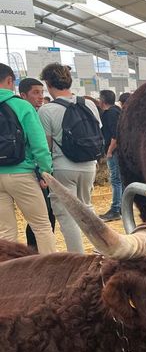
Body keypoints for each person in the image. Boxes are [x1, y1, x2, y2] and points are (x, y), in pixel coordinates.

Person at [38, 63, 102, 253]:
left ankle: (78, 258)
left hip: (63, 166)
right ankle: (101, 251)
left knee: (67, 215)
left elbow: (46, 145)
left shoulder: (47, 110)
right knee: (87, 208)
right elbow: (97, 131)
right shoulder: (88, 103)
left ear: (49, 83)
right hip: (89, 165)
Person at [0, 63, 56, 254]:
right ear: (9, 80)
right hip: (21, 173)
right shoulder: (21, 105)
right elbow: (39, 144)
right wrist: (45, 171)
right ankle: (50, 274)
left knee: (5, 232)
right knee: (41, 226)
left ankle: (6, 275)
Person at [18, 77, 56, 250]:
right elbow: (40, 147)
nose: (40, 97)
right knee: (43, 220)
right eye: (36, 92)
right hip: (28, 172)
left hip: (8, 172)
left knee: (7, 228)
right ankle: (39, 255)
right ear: (23, 94)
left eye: (42, 92)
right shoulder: (28, 112)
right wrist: (45, 172)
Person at [98, 90, 122, 221]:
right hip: (118, 151)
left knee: (116, 180)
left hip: (114, 151)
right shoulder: (117, 111)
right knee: (119, 180)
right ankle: (121, 208)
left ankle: (115, 209)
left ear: (102, 101)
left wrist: (109, 151)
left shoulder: (110, 114)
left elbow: (115, 135)